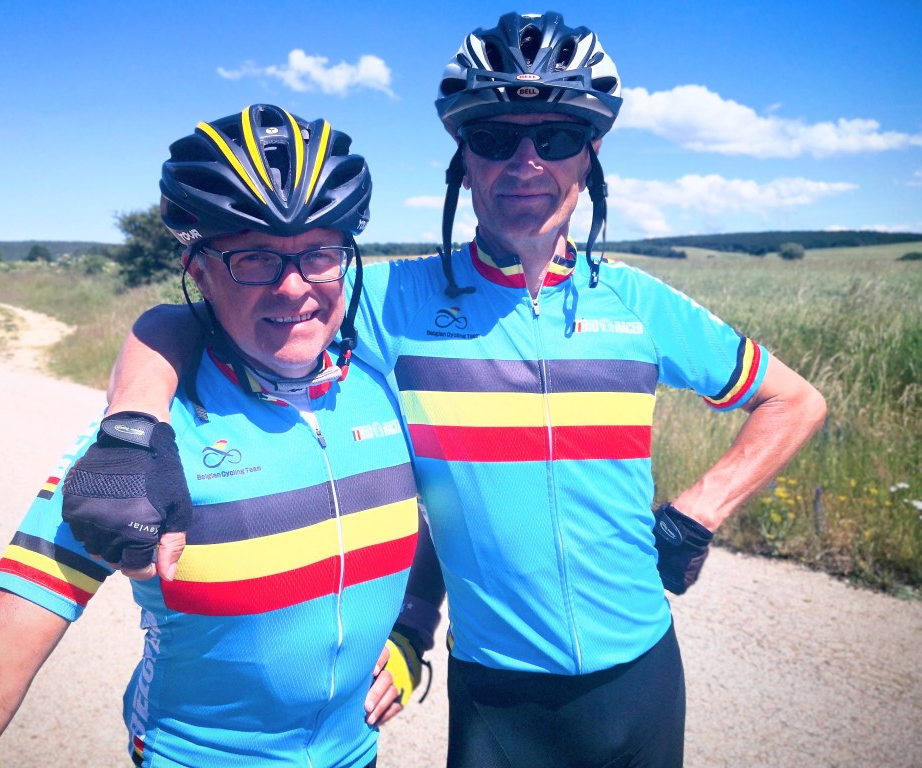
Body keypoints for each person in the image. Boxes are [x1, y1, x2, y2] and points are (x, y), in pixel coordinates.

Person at [95, 12, 828, 768]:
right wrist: (131, 431)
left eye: (556, 138)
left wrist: (698, 513)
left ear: (591, 155)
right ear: (464, 160)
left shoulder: (639, 304)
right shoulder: (390, 301)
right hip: (498, 693)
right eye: (494, 138)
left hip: (642, 674)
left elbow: (795, 400)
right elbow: (195, 315)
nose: (526, 163)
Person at [0, 103, 444, 768]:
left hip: (354, 755)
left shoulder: (389, 382)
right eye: (253, 257)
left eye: (318, 254)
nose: (293, 286)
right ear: (199, 269)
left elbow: (442, 511)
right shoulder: (143, 444)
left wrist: (412, 630)